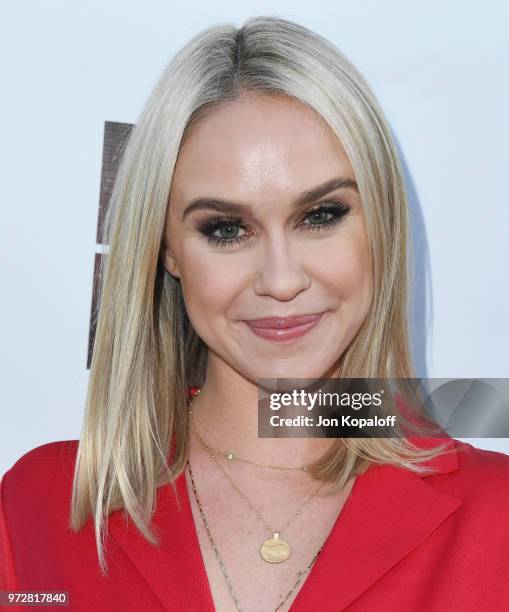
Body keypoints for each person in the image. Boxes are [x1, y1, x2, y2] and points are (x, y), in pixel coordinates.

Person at [1, 15, 509, 612]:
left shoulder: (494, 518)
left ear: (383, 225)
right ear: (166, 250)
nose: (281, 279)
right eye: (225, 228)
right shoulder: (39, 505)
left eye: (321, 215)